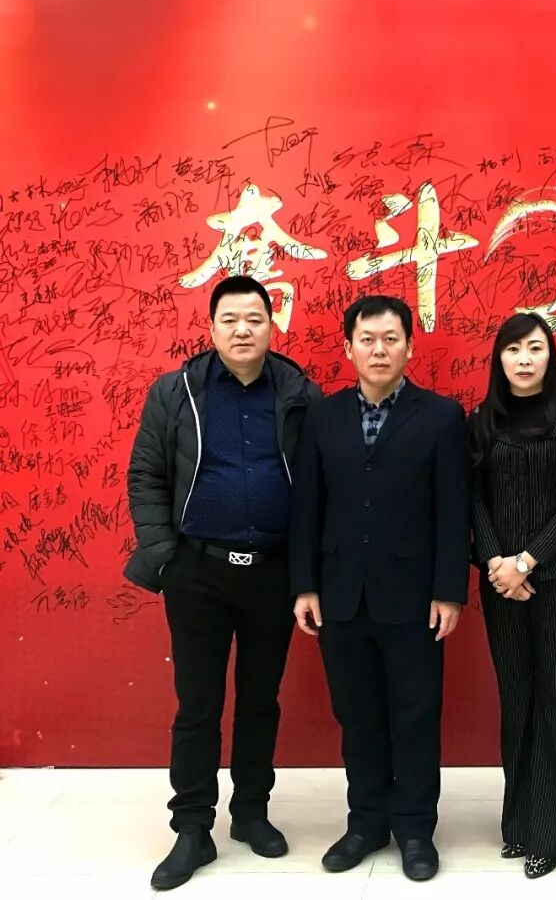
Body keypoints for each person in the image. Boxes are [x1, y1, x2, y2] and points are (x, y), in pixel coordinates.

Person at [125, 274, 321, 891]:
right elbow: (146, 475)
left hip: (273, 573)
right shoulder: (175, 391)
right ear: (210, 327)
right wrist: (166, 556)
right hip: (198, 571)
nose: (243, 330)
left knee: (261, 700)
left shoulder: (299, 392)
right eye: (230, 319)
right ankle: (192, 828)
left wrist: (307, 571)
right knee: (198, 705)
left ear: (272, 325)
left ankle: (251, 813)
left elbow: (321, 484)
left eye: (255, 319)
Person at [290, 294, 470, 882]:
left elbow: (454, 511)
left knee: (415, 717)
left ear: (410, 346)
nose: (379, 349)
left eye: (391, 338)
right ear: (348, 348)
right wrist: (305, 585)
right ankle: (365, 822)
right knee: (358, 716)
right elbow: (307, 506)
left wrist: (449, 591)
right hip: (341, 594)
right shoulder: (323, 417)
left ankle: (415, 829)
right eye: (367, 339)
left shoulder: (441, 416)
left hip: (415, 597)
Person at [469, 312, 556, 879]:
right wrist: (497, 562)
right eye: (513, 349)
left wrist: (527, 560)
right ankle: (519, 823)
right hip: (500, 580)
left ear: (551, 355)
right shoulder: (482, 421)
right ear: (499, 358)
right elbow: (473, 498)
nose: (524, 359)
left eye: (535, 348)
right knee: (517, 698)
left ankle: (555, 833)